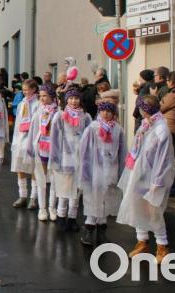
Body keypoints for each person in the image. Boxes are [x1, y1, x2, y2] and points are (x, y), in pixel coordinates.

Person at [117, 95, 175, 264]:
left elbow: (164, 159)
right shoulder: (146, 124)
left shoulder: (161, 129)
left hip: (152, 178)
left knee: (153, 211)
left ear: (146, 109)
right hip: (139, 174)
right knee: (137, 207)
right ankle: (142, 241)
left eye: (141, 108)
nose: (140, 111)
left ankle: (162, 245)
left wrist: (157, 181)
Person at [78, 102, 127, 246]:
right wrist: (85, 171)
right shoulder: (92, 128)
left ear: (114, 114)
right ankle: (88, 229)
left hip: (111, 170)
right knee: (94, 200)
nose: (105, 114)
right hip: (95, 171)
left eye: (109, 111)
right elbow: (83, 150)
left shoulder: (118, 129)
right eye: (103, 111)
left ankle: (101, 232)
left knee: (106, 201)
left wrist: (122, 173)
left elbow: (122, 151)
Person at [49, 88, 92, 231]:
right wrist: (54, 159)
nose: (74, 101)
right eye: (71, 98)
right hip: (64, 159)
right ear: (66, 100)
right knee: (64, 189)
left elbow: (90, 138)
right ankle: (61, 217)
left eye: (77, 98)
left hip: (81, 160)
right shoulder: (60, 116)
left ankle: (72, 218)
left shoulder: (86, 117)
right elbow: (54, 139)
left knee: (77, 191)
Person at [25, 84, 59, 221]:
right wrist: (31, 147)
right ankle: (42, 208)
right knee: (41, 177)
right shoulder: (39, 111)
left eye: (45, 95)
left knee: (54, 178)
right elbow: (33, 129)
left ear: (52, 96)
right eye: (41, 96)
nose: (42, 98)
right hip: (42, 147)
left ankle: (52, 207)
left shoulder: (58, 111)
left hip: (55, 148)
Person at [11, 80, 40, 207]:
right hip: (21, 137)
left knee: (34, 168)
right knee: (19, 166)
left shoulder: (38, 104)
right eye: (23, 90)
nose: (24, 92)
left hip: (32, 138)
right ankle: (22, 195)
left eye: (27, 89)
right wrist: (16, 139)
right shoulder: (22, 103)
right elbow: (18, 121)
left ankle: (33, 197)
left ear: (34, 89)